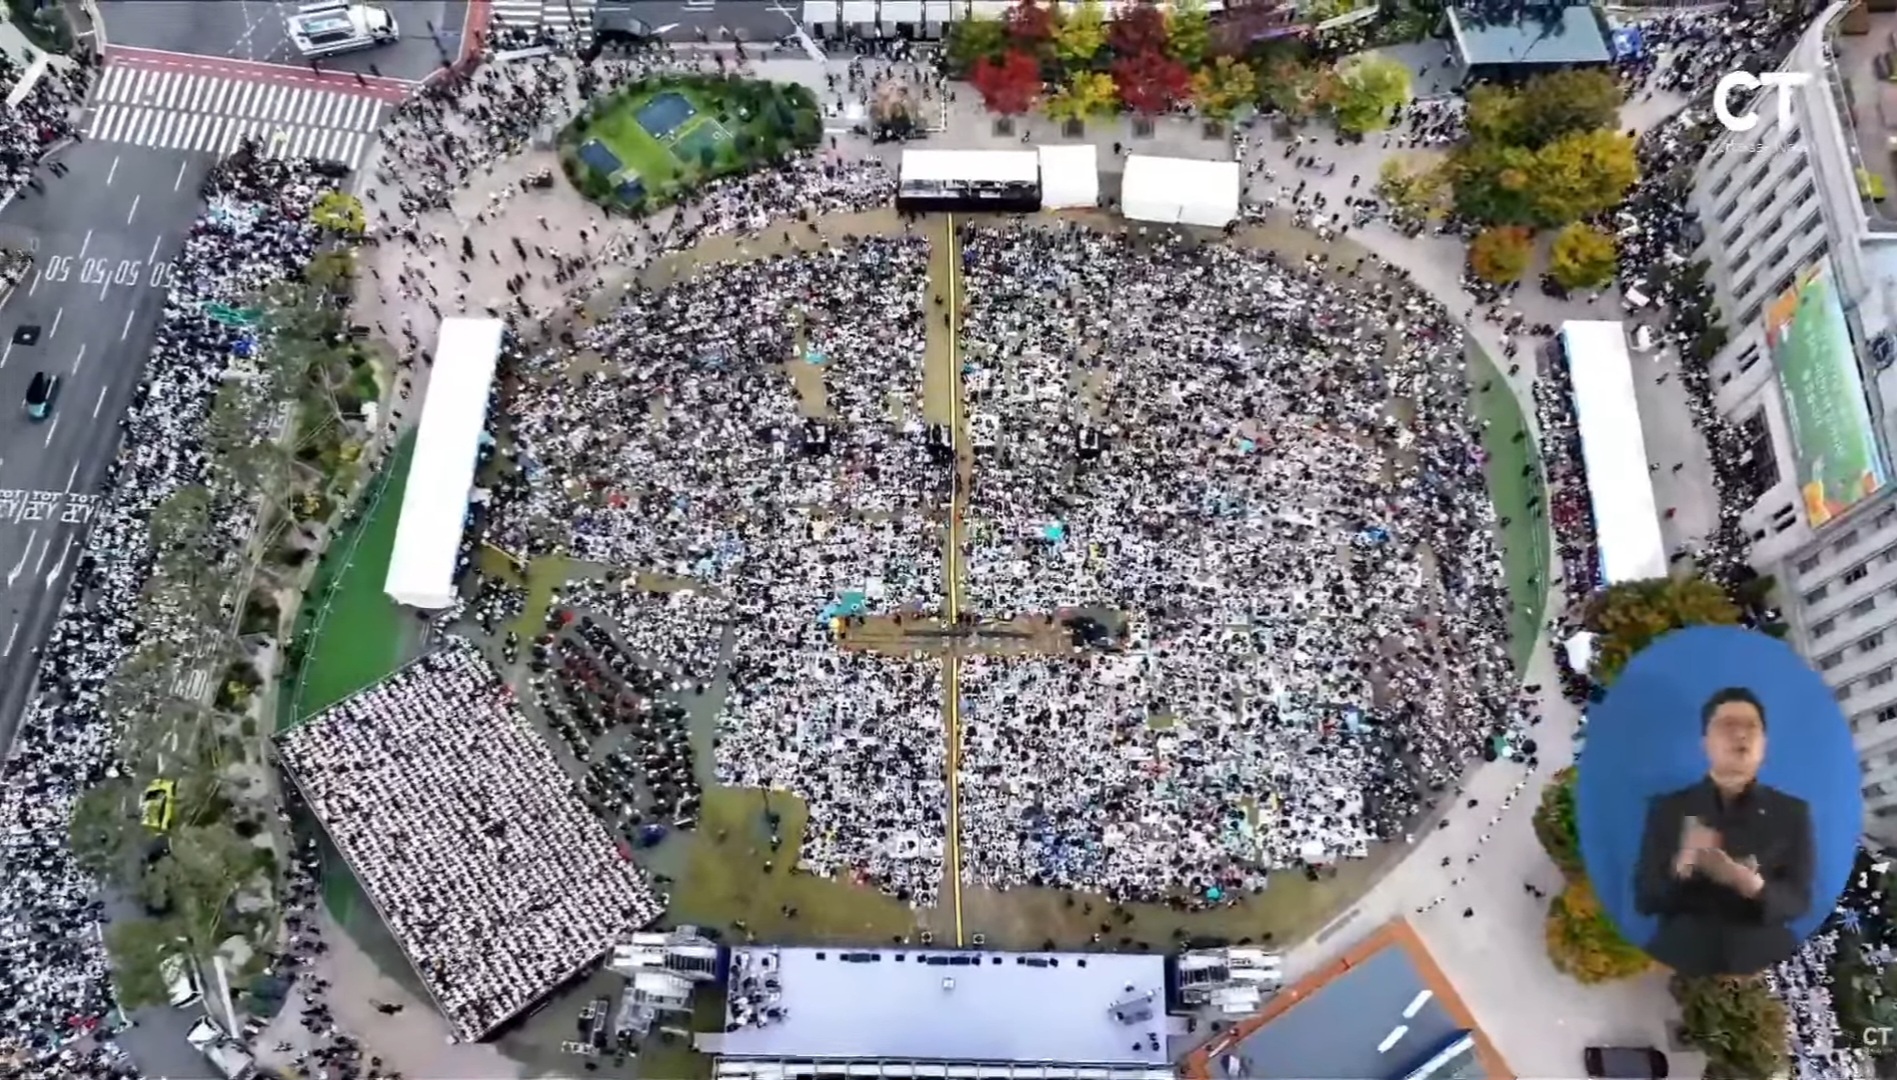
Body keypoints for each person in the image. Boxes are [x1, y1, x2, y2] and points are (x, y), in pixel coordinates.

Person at [1634, 687, 1816, 976]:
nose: (1741, 735)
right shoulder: (1668, 808)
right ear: (1704, 743)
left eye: (1751, 727)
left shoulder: (1794, 813)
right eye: (1728, 725)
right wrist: (1682, 867)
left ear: (1764, 744)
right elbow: (1645, 900)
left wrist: (1753, 886)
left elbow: (1799, 902)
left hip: (1760, 962)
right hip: (1679, 960)